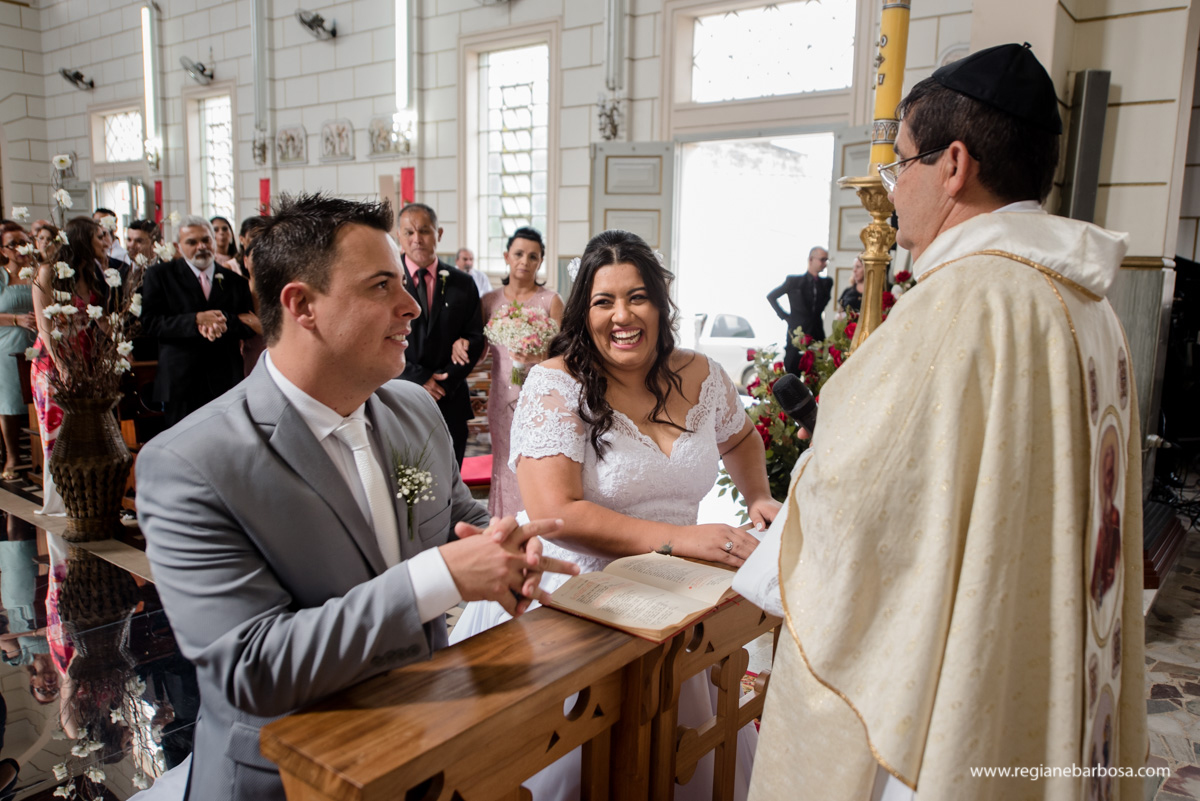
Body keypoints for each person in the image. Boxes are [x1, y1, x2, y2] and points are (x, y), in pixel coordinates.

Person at [748, 44, 1146, 801]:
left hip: (958, 700)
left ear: (954, 164)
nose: (893, 188)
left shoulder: (967, 301)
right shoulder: (1092, 307)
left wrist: (780, 529)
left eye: (902, 164)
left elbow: (860, 498)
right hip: (1043, 656)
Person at [136, 193, 578, 801]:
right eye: (380, 287)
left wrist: (510, 544)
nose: (410, 308)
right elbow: (250, 669)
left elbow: (457, 521)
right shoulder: (190, 464)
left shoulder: (413, 408)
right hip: (292, 774)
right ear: (302, 305)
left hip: (427, 738)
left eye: (403, 283)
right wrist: (437, 578)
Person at [452, 228, 777, 801]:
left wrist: (758, 498)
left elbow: (743, 437)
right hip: (578, 600)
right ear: (584, 311)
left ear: (660, 303)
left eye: (637, 297)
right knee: (591, 769)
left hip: (679, 595)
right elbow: (557, 512)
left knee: (677, 753)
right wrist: (681, 540)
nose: (622, 315)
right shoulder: (557, 384)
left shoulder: (701, 374)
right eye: (604, 301)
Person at [141, 215, 257, 427]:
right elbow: (151, 322)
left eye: (206, 240)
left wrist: (222, 323)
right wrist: (195, 320)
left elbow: (247, 326)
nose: (201, 246)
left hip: (225, 377)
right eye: (192, 242)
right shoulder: (160, 276)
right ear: (178, 246)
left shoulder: (235, 281)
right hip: (181, 379)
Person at [30, 216, 113, 514]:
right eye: (98, 236)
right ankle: (62, 497)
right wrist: (61, 364)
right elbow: (43, 325)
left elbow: (99, 317)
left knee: (86, 428)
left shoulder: (91, 272)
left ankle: (83, 494)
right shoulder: (48, 271)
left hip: (85, 356)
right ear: (81, 239)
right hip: (53, 360)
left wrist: (119, 342)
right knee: (58, 430)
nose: (105, 241)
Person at [479, 227, 563, 517]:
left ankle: (538, 521)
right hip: (502, 395)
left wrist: (538, 355)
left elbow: (566, 355)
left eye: (533, 256)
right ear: (506, 257)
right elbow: (480, 352)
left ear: (540, 262)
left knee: (536, 458)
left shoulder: (551, 300)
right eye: (518, 254)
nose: (524, 261)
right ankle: (503, 521)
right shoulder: (489, 301)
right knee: (504, 459)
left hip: (542, 397)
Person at [394, 203, 485, 464]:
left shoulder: (462, 282)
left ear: (439, 233)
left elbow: (476, 337)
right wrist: (419, 378)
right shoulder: (387, 281)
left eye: (424, 231)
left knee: (450, 475)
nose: (416, 239)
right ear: (398, 236)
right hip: (400, 395)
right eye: (409, 232)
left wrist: (443, 383)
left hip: (450, 397)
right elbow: (375, 339)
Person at [0, 224, 38, 479]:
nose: (20, 248)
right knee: (11, 402)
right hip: (8, 342)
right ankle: (13, 456)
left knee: (38, 401)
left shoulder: (37, 272)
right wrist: (16, 319)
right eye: (13, 243)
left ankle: (39, 455)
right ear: (2, 250)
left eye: (24, 241)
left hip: (37, 343)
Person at [766, 246, 833, 374]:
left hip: (816, 332)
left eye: (826, 260)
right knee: (793, 367)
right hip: (797, 331)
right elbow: (772, 296)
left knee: (817, 369)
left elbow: (821, 304)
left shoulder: (826, 283)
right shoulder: (794, 282)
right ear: (811, 260)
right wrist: (785, 317)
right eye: (822, 260)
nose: (825, 264)